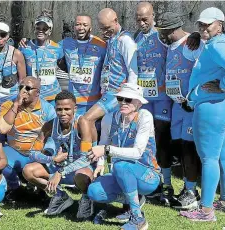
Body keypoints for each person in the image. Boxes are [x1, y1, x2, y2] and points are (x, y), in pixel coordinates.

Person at [180, 7, 225, 221]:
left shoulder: (217, 45)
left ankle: (206, 211)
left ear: (220, 24)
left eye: (207, 24)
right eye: (200, 24)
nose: (203, 28)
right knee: (223, 157)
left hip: (213, 107)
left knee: (209, 159)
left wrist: (224, 85)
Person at [87, 83, 160, 230]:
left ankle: (138, 219)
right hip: (119, 172)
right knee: (93, 190)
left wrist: (107, 150)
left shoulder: (144, 116)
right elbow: (102, 144)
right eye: (120, 99)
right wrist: (101, 164)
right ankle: (134, 200)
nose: (123, 103)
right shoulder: (110, 118)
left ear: (139, 102)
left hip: (148, 175)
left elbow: (137, 152)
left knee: (122, 166)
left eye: (128, 99)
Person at [22, 90, 103, 219]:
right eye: (59, 109)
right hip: (61, 167)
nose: (63, 113)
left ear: (75, 109)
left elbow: (86, 158)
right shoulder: (50, 125)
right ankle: (60, 196)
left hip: (81, 169)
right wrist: (52, 159)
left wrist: (61, 173)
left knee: (81, 176)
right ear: (55, 109)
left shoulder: (82, 123)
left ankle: (87, 198)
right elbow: (31, 153)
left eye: (67, 109)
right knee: (28, 170)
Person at [156, 12, 203, 208]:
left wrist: (194, 98)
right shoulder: (170, 46)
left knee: (189, 148)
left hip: (189, 106)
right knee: (178, 147)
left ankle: (192, 191)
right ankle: (185, 188)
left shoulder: (192, 44)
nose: (160, 34)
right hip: (176, 105)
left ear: (171, 29)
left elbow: (206, 71)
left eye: (163, 30)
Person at [134, 2, 173, 205]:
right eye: (138, 19)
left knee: (162, 137)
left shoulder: (163, 35)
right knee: (146, 139)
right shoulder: (136, 37)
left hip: (163, 96)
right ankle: (149, 181)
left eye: (145, 18)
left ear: (153, 16)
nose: (142, 23)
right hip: (144, 98)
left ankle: (166, 183)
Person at [0, 77, 56, 198]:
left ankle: (41, 188)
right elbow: (3, 129)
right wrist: (16, 105)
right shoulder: (8, 104)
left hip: (38, 153)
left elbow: (53, 137)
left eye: (28, 88)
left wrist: (45, 154)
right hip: (15, 151)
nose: (23, 91)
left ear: (37, 93)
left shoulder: (48, 109)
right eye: (20, 87)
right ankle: (16, 188)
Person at [83, 8, 138, 134]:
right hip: (107, 92)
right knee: (106, 129)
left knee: (86, 119)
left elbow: (133, 71)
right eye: (102, 28)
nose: (105, 31)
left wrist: (128, 98)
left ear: (116, 21)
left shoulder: (125, 40)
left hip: (117, 94)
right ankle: (97, 152)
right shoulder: (111, 38)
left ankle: (87, 153)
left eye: (107, 27)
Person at [0, 20, 26, 141]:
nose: (0, 38)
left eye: (3, 34)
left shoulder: (16, 54)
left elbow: (23, 79)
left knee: (12, 134)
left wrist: (20, 101)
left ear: (8, 36)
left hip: (11, 101)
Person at [58, 15, 107, 118]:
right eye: (78, 24)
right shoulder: (66, 43)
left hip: (93, 102)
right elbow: (47, 48)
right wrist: (26, 43)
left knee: (90, 132)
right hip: (73, 101)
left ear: (91, 28)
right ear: (74, 27)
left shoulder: (101, 45)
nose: (81, 28)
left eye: (85, 25)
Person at [19, 10, 63, 106]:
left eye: (44, 29)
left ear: (50, 31)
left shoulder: (57, 48)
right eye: (38, 28)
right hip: (33, 96)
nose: (41, 31)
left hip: (53, 96)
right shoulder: (25, 46)